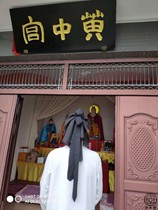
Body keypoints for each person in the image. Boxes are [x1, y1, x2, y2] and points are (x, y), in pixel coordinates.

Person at [40, 108, 103, 210]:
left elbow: (44, 189)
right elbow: (98, 193)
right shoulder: (95, 158)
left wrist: (47, 207)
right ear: (85, 131)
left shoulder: (53, 155)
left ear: (66, 131)